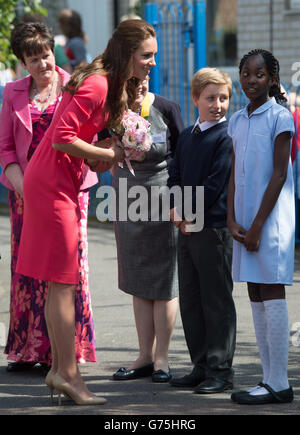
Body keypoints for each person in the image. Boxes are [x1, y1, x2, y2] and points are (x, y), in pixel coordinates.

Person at [16, 19, 157, 406]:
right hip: (50, 185)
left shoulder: (108, 84)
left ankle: (59, 370)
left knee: (58, 281)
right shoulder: (98, 83)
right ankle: (69, 376)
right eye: (147, 55)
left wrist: (102, 152)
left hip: (57, 181)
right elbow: (62, 137)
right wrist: (107, 154)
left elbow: (78, 138)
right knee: (63, 281)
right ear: (128, 53)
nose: (152, 63)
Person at [0, 22, 98, 373]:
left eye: (45, 54)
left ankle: (66, 352)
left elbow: (91, 135)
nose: (42, 63)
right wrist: (27, 188)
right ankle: (29, 350)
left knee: (68, 270)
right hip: (26, 193)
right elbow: (6, 148)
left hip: (69, 192)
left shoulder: (75, 86)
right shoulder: (12, 93)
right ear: (22, 62)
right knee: (27, 269)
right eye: (33, 58)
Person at [227, 49, 295, 405]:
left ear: (271, 78)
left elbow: (280, 174)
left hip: (269, 223)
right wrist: (230, 218)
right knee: (255, 293)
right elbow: (234, 172)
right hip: (244, 222)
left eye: (259, 74)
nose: (251, 80)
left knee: (271, 291)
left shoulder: (280, 117)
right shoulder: (237, 120)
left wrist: (256, 226)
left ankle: (280, 382)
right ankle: (268, 379)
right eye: (246, 74)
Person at [168, 68, 236, 394]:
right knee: (191, 299)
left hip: (212, 230)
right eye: (210, 98)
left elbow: (214, 185)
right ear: (195, 99)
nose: (218, 104)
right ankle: (201, 365)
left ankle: (221, 370)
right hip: (187, 228)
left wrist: (187, 213)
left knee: (216, 301)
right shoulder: (187, 135)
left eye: (223, 98)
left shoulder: (225, 137)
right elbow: (175, 174)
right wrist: (177, 210)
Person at [111, 78, 184, 383]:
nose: (139, 85)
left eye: (142, 79)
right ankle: (144, 355)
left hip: (162, 196)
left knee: (164, 279)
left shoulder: (167, 108)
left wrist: (180, 202)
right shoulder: (112, 111)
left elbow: (183, 156)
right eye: (131, 80)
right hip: (126, 198)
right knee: (137, 276)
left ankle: (162, 360)